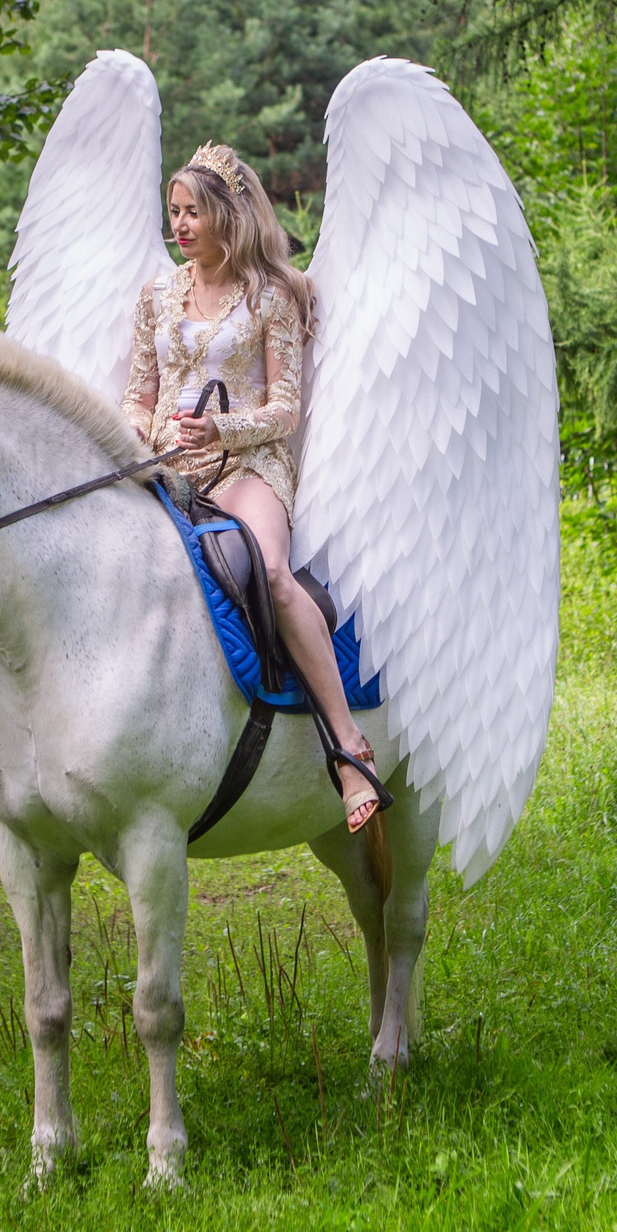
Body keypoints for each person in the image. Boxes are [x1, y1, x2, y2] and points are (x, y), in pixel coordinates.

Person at [123, 143, 384, 833]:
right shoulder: (155, 294)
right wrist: (131, 443)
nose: (180, 224)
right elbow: (137, 394)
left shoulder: (272, 294)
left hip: (249, 465)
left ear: (227, 216)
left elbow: (285, 410)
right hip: (167, 464)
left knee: (269, 568)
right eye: (174, 211)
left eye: (194, 212)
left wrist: (223, 431)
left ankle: (347, 747)